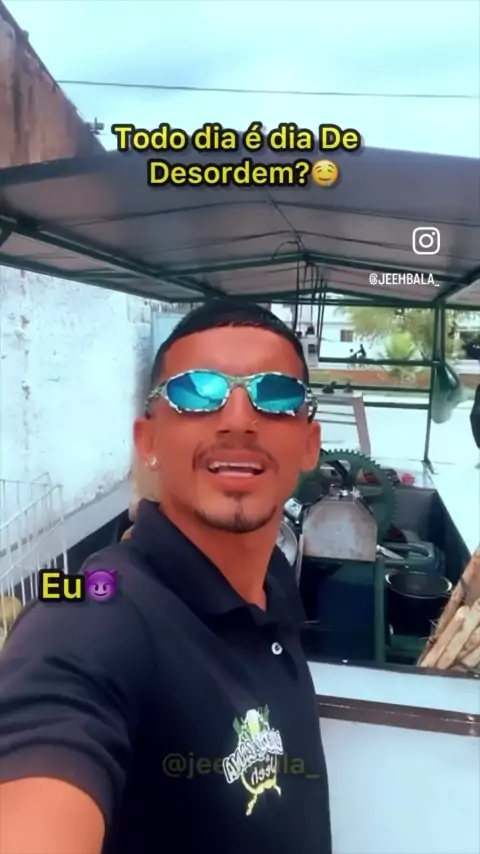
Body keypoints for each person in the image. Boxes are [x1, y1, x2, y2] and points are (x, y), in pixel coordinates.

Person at [0, 300, 331, 854]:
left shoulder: (272, 582)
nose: (238, 419)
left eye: (275, 395)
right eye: (196, 393)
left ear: (308, 444)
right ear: (148, 441)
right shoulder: (91, 616)